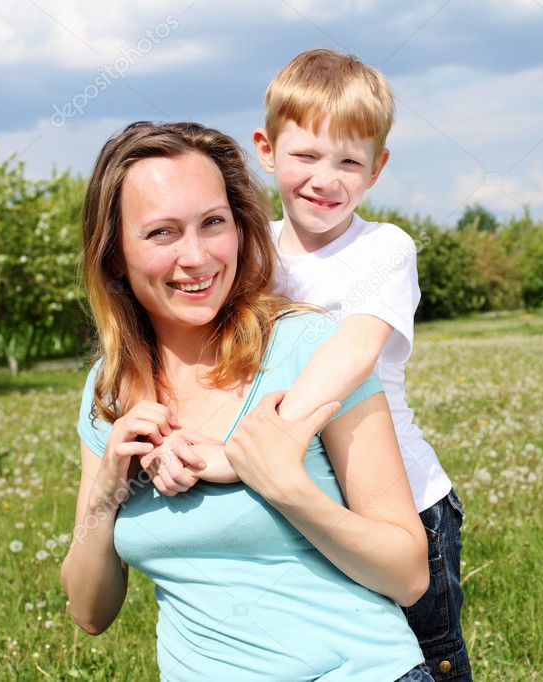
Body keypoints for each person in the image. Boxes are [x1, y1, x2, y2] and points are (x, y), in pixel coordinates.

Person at [60, 120, 434, 681]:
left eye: (213, 223)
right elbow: (91, 613)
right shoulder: (109, 391)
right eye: (162, 233)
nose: (197, 257)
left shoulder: (313, 348)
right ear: (114, 254)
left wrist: (286, 487)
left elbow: (408, 574)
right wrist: (103, 497)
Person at [250, 49, 471, 681]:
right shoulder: (253, 250)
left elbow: (350, 352)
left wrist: (260, 445)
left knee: (428, 661)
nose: (328, 178)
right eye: (306, 156)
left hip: (404, 502)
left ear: (377, 168)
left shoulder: (383, 248)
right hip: (311, 496)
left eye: (350, 161)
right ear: (266, 149)